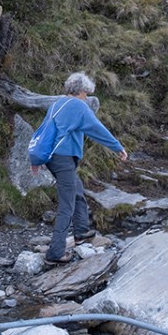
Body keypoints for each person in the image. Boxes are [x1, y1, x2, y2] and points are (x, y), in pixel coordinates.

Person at [30, 71, 129, 263]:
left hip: (53, 158)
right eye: (86, 93)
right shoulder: (78, 105)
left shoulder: (57, 103)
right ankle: (55, 253)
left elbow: (43, 133)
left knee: (77, 191)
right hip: (63, 158)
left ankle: (81, 231)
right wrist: (117, 147)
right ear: (81, 91)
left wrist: (37, 160)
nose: (87, 97)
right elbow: (96, 128)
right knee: (67, 204)